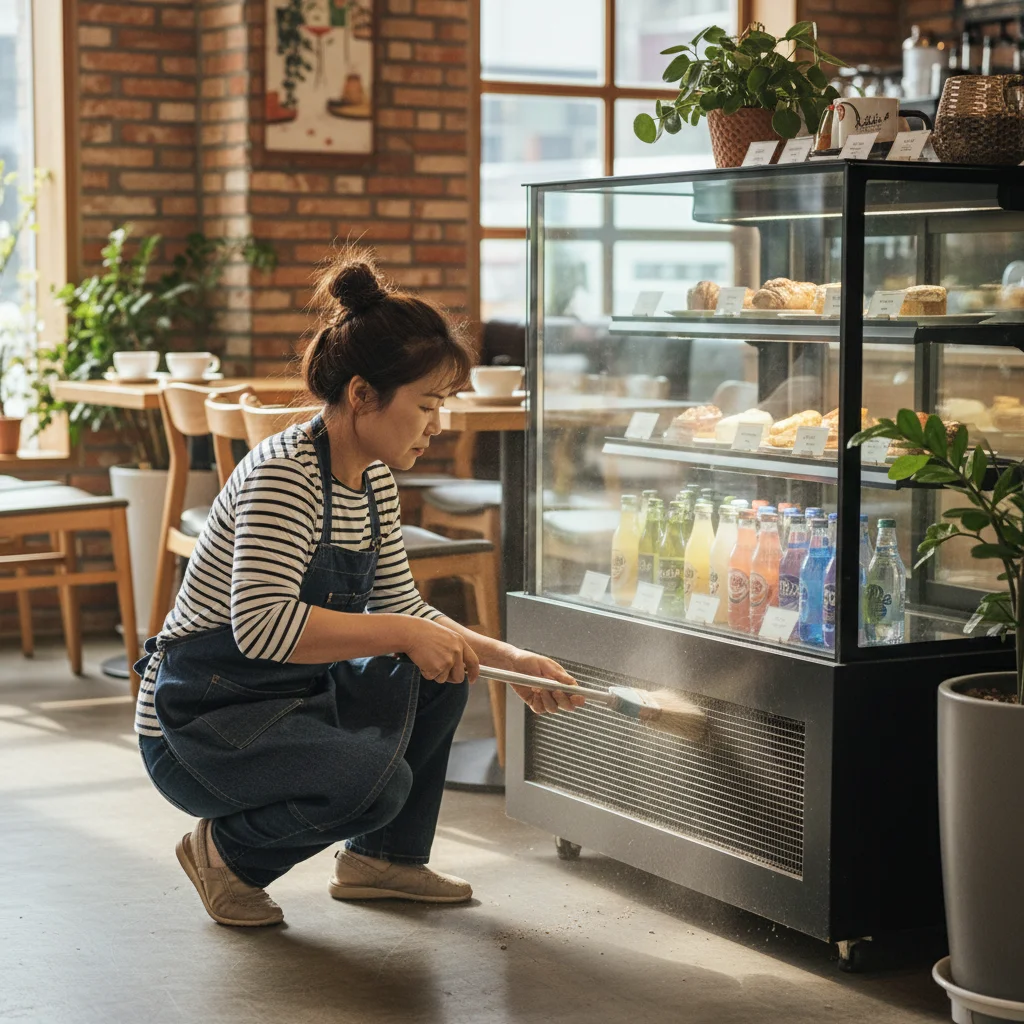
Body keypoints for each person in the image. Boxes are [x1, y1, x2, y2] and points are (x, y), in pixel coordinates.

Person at [134, 256, 582, 927]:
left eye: (444, 406)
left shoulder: (371, 480)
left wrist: (510, 659)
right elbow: (262, 628)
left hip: (284, 698)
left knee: (444, 670)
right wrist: (408, 635)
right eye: (427, 405)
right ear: (363, 395)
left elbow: (405, 609)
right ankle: (226, 856)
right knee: (377, 781)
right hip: (200, 724)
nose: (439, 425)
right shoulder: (285, 475)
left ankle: (384, 861)